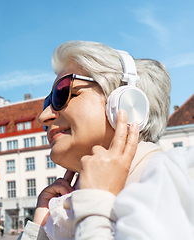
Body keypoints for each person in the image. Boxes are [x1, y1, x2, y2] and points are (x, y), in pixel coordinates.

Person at [18, 41, 194, 240]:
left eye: (62, 93)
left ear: (125, 102)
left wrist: (95, 204)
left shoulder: (180, 178)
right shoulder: (57, 214)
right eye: (47, 103)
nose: (44, 116)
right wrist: (38, 230)